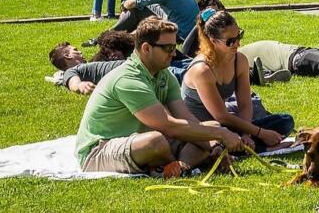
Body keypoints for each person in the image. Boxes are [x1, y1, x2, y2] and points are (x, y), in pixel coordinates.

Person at [75, 16, 243, 175]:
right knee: (156, 141)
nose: (174, 53)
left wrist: (214, 143)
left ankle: (180, 168)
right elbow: (167, 126)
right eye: (168, 48)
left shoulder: (164, 74)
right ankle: (178, 165)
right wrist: (220, 135)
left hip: (143, 140)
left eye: (174, 46)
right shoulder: (127, 79)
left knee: (210, 127)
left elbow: (186, 118)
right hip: (99, 149)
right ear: (146, 48)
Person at [181, 11, 294, 150]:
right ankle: (258, 148)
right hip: (204, 131)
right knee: (221, 141)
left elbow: (245, 104)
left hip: (227, 126)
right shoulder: (202, 70)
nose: (238, 44)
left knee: (285, 121)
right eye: (230, 41)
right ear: (213, 40)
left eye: (239, 36)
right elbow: (221, 116)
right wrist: (260, 133)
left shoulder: (239, 60)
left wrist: (246, 133)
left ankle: (246, 146)